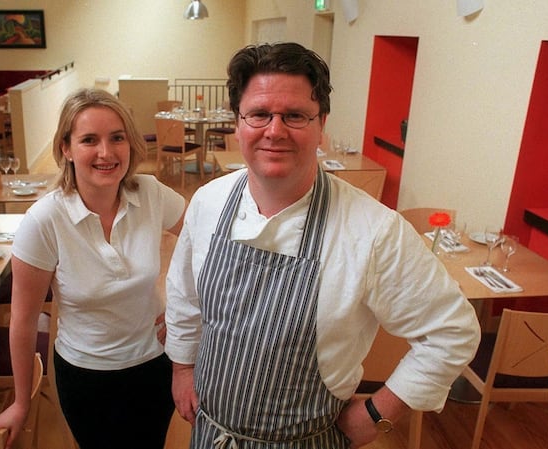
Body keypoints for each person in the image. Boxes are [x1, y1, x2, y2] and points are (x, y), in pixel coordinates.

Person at [165, 42, 481, 448]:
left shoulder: (374, 230)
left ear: (321, 124)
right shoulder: (209, 201)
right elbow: (184, 296)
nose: (275, 131)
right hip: (212, 434)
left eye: (295, 116)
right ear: (238, 122)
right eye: (259, 114)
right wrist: (182, 369)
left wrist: (377, 415)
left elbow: (452, 331)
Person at [0, 88, 186, 449]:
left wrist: (190, 308)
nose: (106, 152)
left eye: (117, 138)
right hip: (86, 376)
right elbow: (22, 321)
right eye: (89, 140)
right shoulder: (44, 220)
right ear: (66, 148)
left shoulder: (150, 193)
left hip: (155, 363)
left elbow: (205, 243)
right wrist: (20, 402)